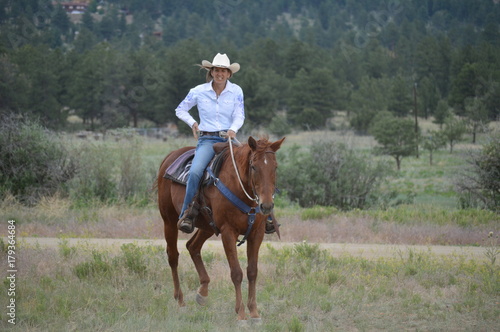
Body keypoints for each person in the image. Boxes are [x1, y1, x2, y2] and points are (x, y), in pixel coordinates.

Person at [175, 53, 244, 234]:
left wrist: (234, 128)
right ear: (211, 72)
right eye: (216, 70)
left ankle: (265, 215)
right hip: (207, 139)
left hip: (228, 139)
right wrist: (193, 123)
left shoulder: (236, 91)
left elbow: (239, 114)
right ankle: (187, 214)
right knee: (196, 172)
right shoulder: (198, 90)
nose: (220, 74)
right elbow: (180, 109)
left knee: (256, 166)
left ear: (229, 74)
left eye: (223, 71)